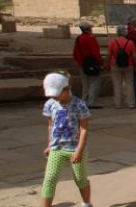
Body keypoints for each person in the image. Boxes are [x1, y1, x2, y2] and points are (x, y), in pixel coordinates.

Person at [40, 72, 93, 207]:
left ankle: (87, 203)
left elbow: (84, 129)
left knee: (80, 179)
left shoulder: (79, 104)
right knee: (49, 179)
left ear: (67, 89)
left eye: (57, 94)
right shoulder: (50, 104)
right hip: (56, 148)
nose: (54, 97)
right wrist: (49, 145)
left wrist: (79, 150)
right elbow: (51, 126)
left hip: (75, 149)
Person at [72, 22, 102, 108]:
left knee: (85, 84)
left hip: (82, 63)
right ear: (88, 29)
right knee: (94, 83)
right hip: (92, 63)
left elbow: (75, 52)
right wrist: (100, 62)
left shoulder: (78, 38)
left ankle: (84, 100)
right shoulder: (91, 38)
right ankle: (91, 101)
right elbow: (95, 52)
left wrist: (78, 60)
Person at [108, 26, 136, 109]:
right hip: (128, 64)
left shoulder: (113, 42)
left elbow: (109, 54)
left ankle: (118, 103)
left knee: (117, 84)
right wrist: (135, 65)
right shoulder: (130, 43)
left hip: (115, 64)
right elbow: (134, 56)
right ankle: (131, 103)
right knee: (129, 84)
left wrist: (108, 64)